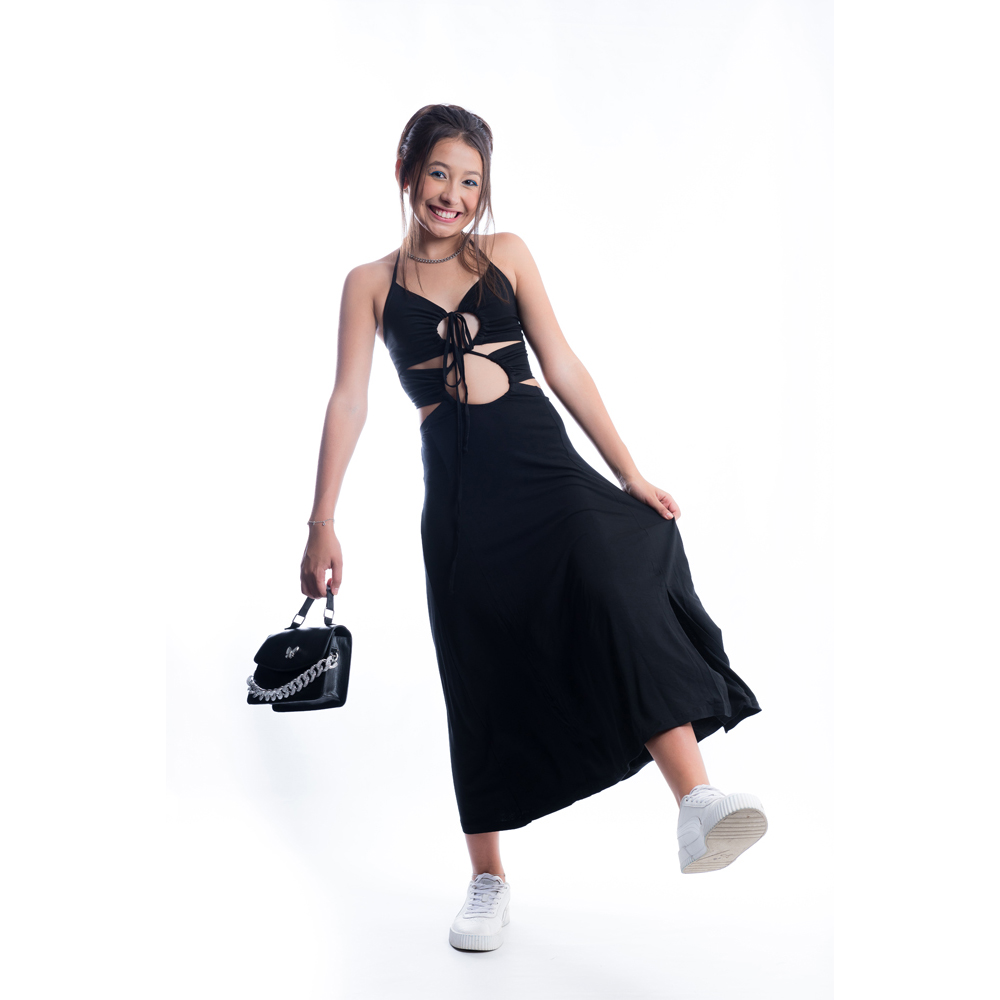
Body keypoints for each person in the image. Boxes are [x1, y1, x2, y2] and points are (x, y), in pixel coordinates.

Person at [300, 104, 765, 952]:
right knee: (475, 667)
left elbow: (563, 364)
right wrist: (321, 521)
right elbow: (349, 400)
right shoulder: (368, 283)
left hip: (546, 471)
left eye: (470, 181)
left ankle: (696, 803)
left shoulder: (507, 254)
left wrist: (629, 472)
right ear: (405, 172)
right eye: (439, 173)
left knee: (617, 586)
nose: (453, 194)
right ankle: (488, 879)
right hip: (462, 498)